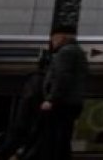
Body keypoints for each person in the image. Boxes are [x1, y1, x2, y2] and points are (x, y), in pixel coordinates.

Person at [36, 25, 89, 160]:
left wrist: (51, 99)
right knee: (63, 139)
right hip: (71, 102)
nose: (52, 43)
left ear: (61, 37)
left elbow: (61, 77)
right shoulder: (78, 52)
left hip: (61, 103)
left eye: (53, 39)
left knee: (54, 139)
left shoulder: (65, 52)